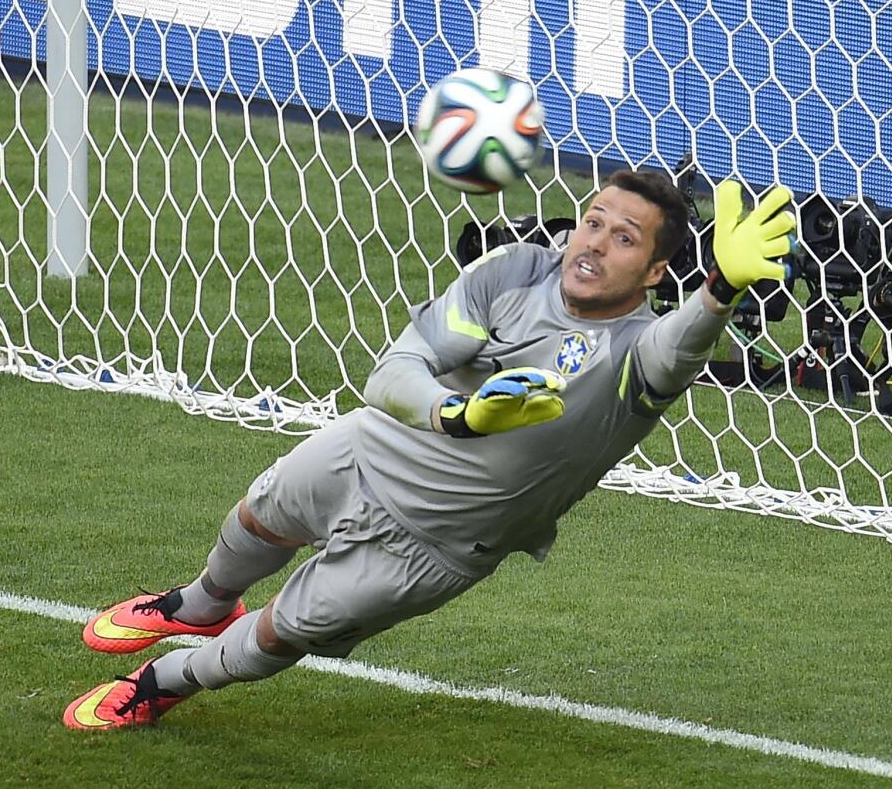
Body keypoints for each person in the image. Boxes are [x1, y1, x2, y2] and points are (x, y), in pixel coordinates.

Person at [62, 170, 795, 730]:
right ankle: (199, 603)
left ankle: (165, 682)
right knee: (259, 515)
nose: (594, 242)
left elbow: (685, 340)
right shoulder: (514, 270)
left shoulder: (641, 356)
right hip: (373, 448)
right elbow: (393, 372)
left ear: (657, 273)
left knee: (286, 629)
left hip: (436, 546)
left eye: (624, 237)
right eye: (592, 221)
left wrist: (721, 289)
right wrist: (458, 415)